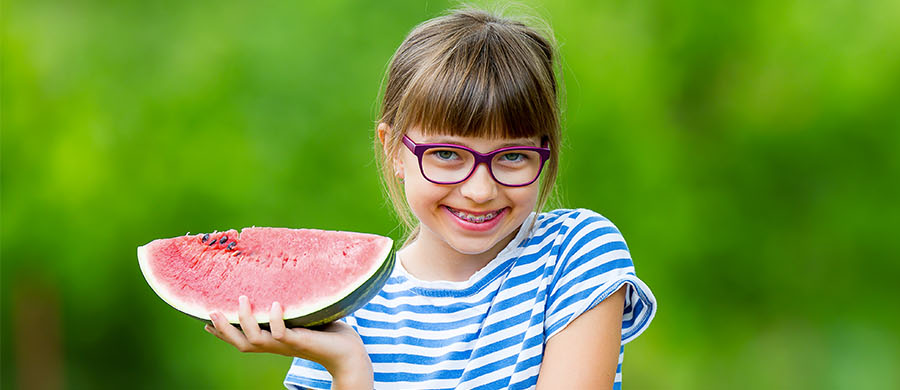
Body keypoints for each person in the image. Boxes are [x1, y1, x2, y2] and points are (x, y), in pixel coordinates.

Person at [202, 7, 657, 390]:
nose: (480, 190)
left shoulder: (575, 254)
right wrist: (349, 371)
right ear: (393, 149)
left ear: (548, 151)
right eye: (445, 154)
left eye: (514, 156)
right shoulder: (343, 322)